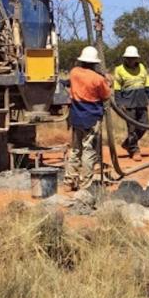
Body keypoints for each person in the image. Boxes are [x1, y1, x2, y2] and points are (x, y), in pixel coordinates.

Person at [65, 45, 110, 190]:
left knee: (75, 149)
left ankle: (69, 181)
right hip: (92, 117)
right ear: (94, 63)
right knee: (88, 150)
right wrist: (106, 80)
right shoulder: (98, 79)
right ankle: (85, 185)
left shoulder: (74, 73)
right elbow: (106, 95)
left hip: (76, 116)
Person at [113, 45, 149, 161]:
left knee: (144, 125)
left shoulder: (142, 67)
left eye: (133, 58)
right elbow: (117, 89)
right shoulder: (119, 69)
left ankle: (128, 143)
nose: (131, 60)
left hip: (141, 102)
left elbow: (148, 85)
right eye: (129, 58)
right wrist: (119, 103)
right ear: (125, 58)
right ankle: (134, 150)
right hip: (128, 104)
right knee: (132, 128)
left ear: (137, 58)